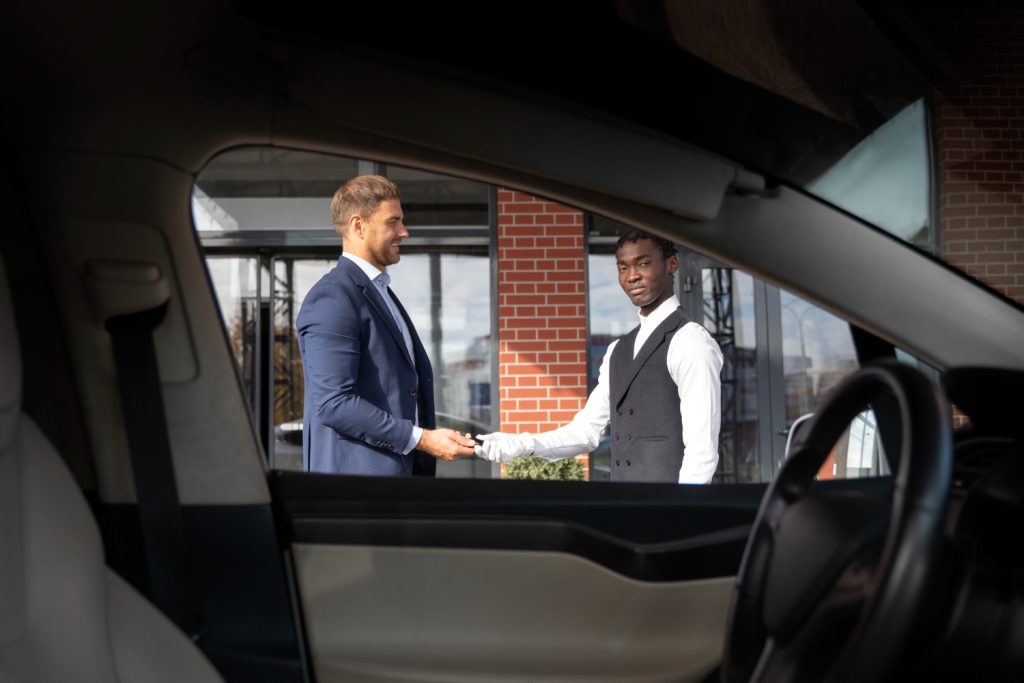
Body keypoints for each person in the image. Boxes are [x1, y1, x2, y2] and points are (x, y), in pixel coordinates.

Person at [477, 229, 723, 483]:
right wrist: (519, 444)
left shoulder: (690, 340)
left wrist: (683, 513)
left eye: (644, 263)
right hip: (624, 505)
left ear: (672, 264)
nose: (632, 276)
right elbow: (586, 432)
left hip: (669, 510)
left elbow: (702, 450)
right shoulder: (618, 350)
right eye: (623, 268)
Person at [297, 175, 476, 475]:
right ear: (358, 225)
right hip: (358, 496)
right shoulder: (332, 298)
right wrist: (422, 439)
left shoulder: (381, 293)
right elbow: (334, 403)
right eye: (393, 222)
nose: (404, 232)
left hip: (392, 487)